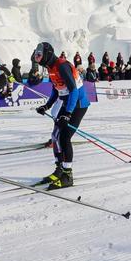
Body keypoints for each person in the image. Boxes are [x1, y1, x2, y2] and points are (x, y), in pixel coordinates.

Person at [33, 42, 90, 190]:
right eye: (36, 55)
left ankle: (67, 175)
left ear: (47, 54)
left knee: (64, 137)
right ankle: (59, 169)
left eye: (39, 55)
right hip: (67, 103)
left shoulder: (62, 66)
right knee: (55, 136)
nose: (37, 58)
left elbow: (74, 91)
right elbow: (56, 88)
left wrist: (67, 113)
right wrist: (47, 105)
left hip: (77, 104)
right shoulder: (50, 67)